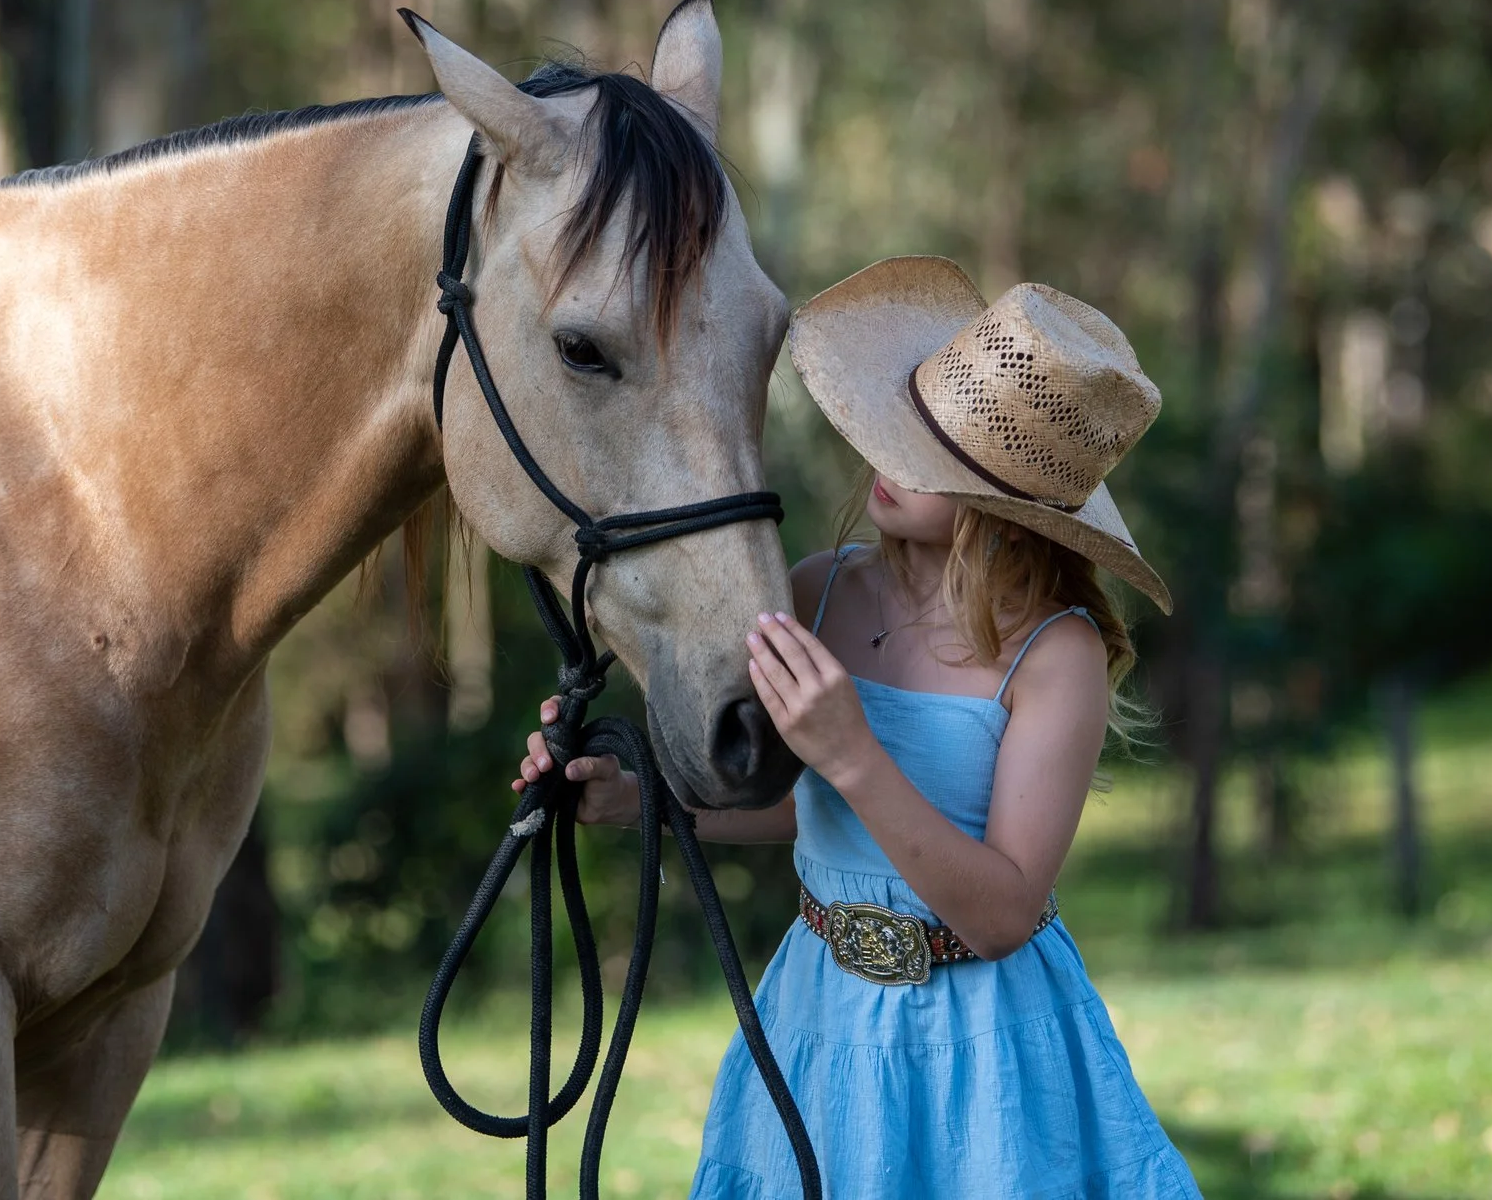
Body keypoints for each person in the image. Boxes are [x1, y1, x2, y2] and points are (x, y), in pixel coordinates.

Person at [515, 256, 1202, 1198]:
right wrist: (633, 798)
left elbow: (1002, 913)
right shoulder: (816, 589)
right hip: (821, 1015)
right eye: (897, 425)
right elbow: (809, 812)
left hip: (984, 1044)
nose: (884, 457)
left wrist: (852, 750)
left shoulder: (1054, 651)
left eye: (929, 452)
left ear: (1003, 502)